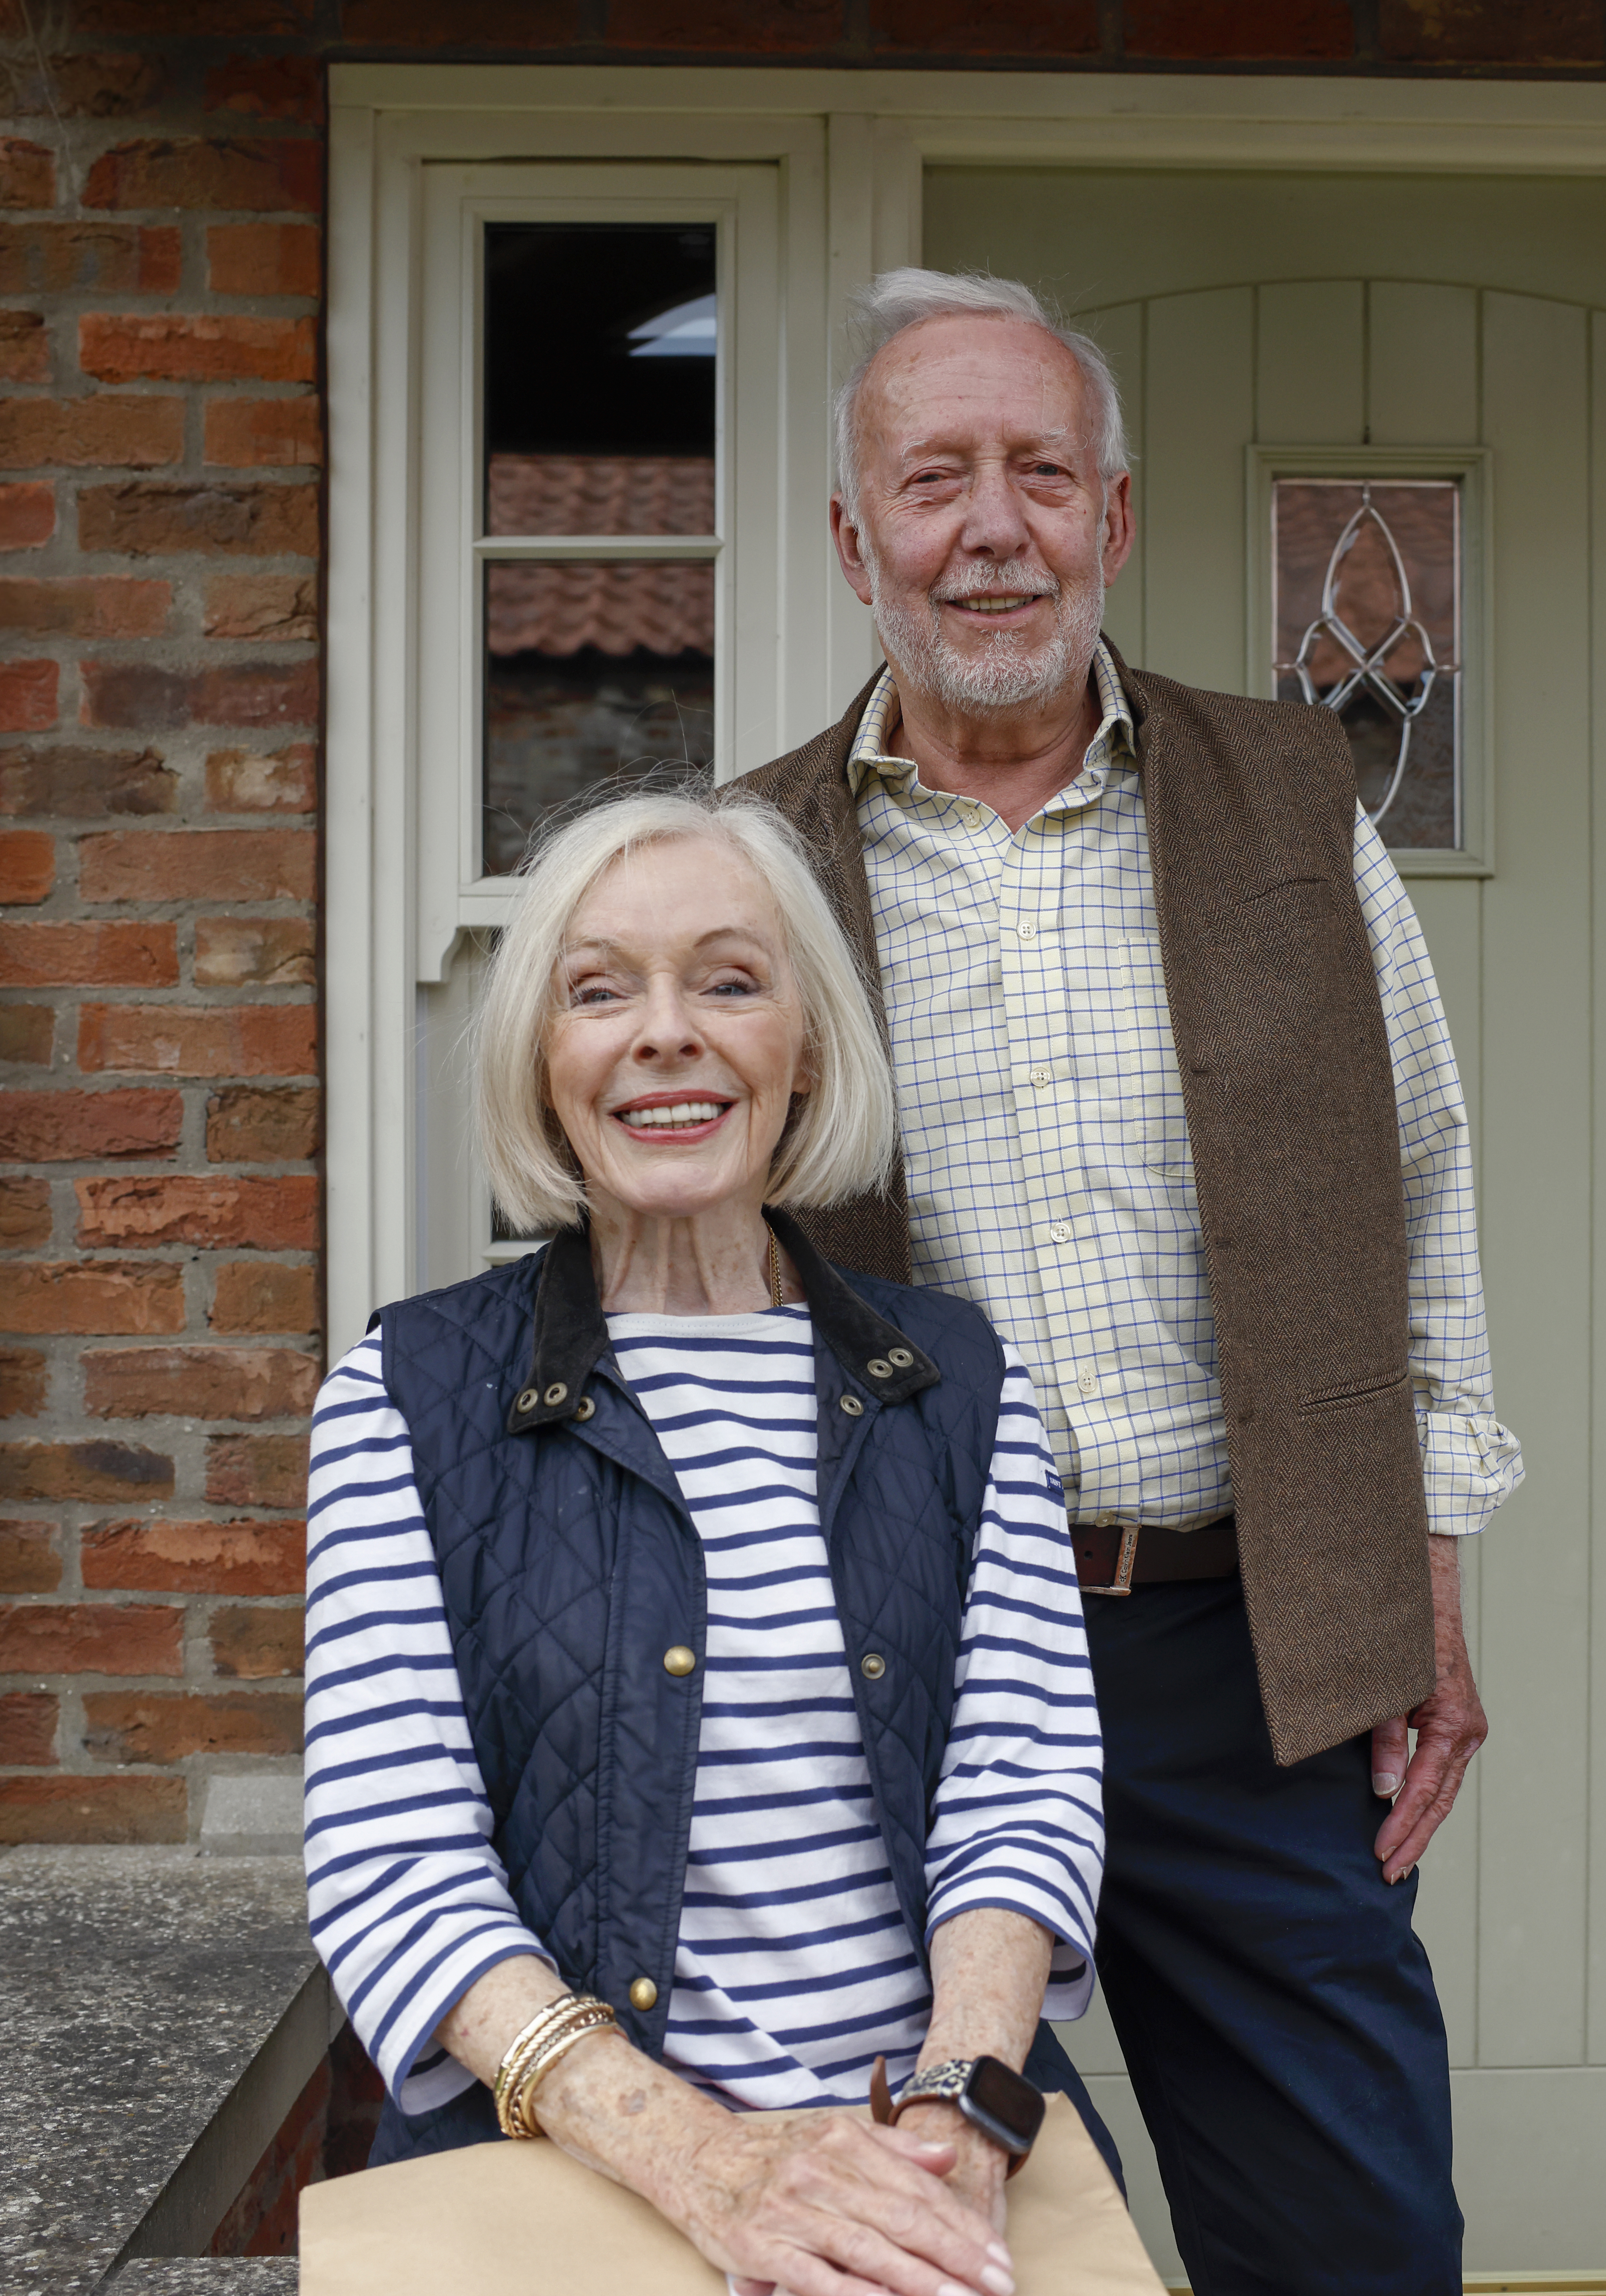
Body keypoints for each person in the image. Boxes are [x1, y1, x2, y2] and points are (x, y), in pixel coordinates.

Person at [732, 268, 1525, 2296]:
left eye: (1039, 474)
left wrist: (1424, 1565)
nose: (989, 528)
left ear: (1115, 516)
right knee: (921, 2241)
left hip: (1245, 1644)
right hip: (885, 1668)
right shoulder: (748, 862)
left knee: (1351, 2237)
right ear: (853, 540)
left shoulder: (1285, 798)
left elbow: (1417, 1184)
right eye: (932, 481)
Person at [301, 787, 1113, 2296]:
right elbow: (393, 1863)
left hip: (926, 2158)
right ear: (545, 1065)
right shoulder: (405, 1395)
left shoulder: (959, 1383)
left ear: (804, 1047)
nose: (664, 1033)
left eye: (729, 981)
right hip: (577, 2178)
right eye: (599, 990)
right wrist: (710, 2164)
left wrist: (953, 2115)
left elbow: (1023, 1788)